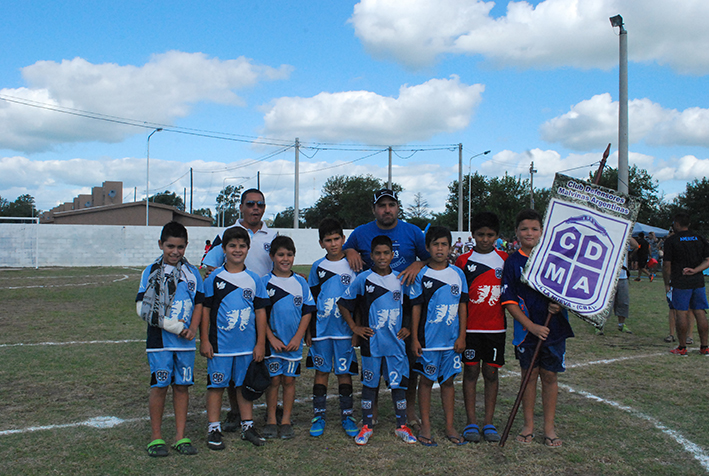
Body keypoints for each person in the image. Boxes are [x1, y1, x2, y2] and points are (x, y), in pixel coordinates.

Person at [343, 188, 430, 425]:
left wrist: (417, 265)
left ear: (398, 207)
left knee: (407, 360)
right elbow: (346, 248)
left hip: (404, 306)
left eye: (391, 205)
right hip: (372, 307)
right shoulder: (361, 232)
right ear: (374, 210)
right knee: (373, 363)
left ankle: (408, 411)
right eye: (382, 206)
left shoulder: (412, 231)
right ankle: (373, 413)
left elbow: (429, 257)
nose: (387, 209)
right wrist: (350, 251)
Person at [202, 188, 277, 432]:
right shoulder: (225, 234)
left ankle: (266, 414)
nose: (256, 208)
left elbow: (281, 262)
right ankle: (235, 414)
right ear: (242, 207)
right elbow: (209, 265)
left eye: (260, 204)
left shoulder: (272, 235)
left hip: (263, 304)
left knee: (260, 362)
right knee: (235, 367)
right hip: (231, 304)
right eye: (251, 203)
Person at [501, 209, 574, 447]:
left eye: (534, 229)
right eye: (524, 229)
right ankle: (528, 425)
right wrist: (530, 326)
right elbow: (508, 299)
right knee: (529, 376)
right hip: (527, 332)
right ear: (516, 232)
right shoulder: (512, 262)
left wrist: (560, 303)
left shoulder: (555, 258)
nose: (529, 233)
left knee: (550, 376)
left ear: (542, 231)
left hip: (554, 328)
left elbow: (571, 290)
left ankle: (549, 428)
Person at [338, 235, 417, 446]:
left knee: (398, 385)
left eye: (386, 253)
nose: (382, 257)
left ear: (392, 255)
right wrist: (355, 327)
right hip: (371, 344)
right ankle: (367, 426)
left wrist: (408, 327)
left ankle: (401, 426)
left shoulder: (401, 279)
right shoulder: (364, 279)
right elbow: (343, 303)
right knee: (369, 385)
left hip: (396, 345)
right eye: (378, 253)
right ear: (371, 255)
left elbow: (411, 307)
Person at [137, 222, 204, 457]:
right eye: (170, 246)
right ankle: (156, 437)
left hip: (185, 343)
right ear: (161, 245)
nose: (175, 252)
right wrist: (176, 327)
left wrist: (193, 328)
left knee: (182, 387)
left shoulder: (192, 272)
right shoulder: (151, 271)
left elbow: (199, 303)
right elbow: (142, 309)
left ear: (186, 247)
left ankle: (180, 436)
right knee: (160, 385)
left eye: (180, 247)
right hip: (160, 342)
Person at [200, 226, 269, 449]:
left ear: (248, 249)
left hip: (247, 346)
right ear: (224, 249)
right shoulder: (214, 278)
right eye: (232, 246)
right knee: (216, 386)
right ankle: (213, 428)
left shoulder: (254, 279)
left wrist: (260, 343)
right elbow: (205, 311)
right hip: (220, 346)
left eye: (242, 246)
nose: (237, 250)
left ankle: (247, 426)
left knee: (243, 386)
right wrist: (205, 340)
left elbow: (260, 312)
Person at [410, 226, 468, 447]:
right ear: (427, 247)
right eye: (435, 244)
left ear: (451, 247)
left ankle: (450, 426)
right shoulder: (421, 275)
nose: (440, 248)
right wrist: (415, 338)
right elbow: (416, 308)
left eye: (444, 244)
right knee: (425, 382)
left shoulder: (458, 274)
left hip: (451, 342)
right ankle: (425, 425)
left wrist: (461, 336)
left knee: (448, 382)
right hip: (428, 342)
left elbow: (463, 306)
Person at [454, 212, 507, 443]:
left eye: (490, 235)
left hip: (496, 329)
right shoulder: (463, 261)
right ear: (472, 235)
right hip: (471, 329)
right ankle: (471, 422)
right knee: (471, 372)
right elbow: (458, 298)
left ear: (497, 236)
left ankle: (489, 422)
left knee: (491, 373)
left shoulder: (505, 259)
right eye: (480, 235)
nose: (485, 239)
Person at [306, 218, 359, 438]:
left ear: (344, 239)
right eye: (328, 240)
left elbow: (359, 299)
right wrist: (309, 331)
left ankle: (347, 415)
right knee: (322, 372)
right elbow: (310, 300)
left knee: (344, 373)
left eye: (337, 238)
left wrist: (356, 330)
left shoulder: (354, 265)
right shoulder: (318, 267)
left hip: (345, 332)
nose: (333, 243)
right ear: (321, 243)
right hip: (321, 330)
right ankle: (319, 415)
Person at [262, 236, 315, 439]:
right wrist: (271, 339)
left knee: (289, 381)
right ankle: (271, 420)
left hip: (293, 344)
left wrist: (299, 337)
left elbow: (307, 312)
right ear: (272, 256)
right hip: (273, 344)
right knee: (274, 380)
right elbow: (261, 315)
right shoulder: (264, 282)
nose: (285, 259)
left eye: (289, 255)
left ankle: (285, 420)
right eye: (281, 255)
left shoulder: (301, 282)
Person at [662, 212, 709, 356]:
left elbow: (667, 265)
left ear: (676, 224)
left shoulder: (671, 241)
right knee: (700, 312)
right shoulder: (700, 238)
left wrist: (667, 282)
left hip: (680, 281)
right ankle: (705, 347)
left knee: (681, 313)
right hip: (698, 281)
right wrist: (695, 270)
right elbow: (707, 260)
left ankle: (682, 348)